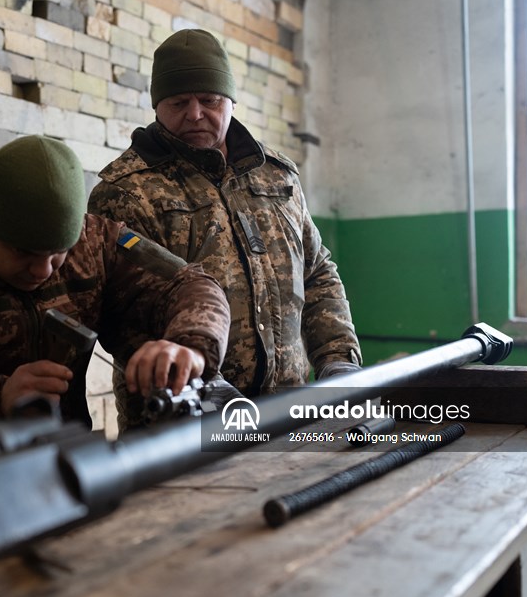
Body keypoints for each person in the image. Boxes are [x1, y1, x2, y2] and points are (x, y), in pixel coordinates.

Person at [0, 135, 230, 451]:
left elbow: (192, 284)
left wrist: (190, 345)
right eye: (23, 253)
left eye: (58, 253)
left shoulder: (96, 240)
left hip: (61, 470)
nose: (43, 270)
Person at [89, 28, 361, 414]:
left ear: (230, 100)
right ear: (157, 108)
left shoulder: (277, 175)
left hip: (287, 409)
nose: (195, 113)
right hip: (185, 417)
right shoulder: (127, 191)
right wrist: (201, 375)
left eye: (209, 99)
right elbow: (120, 312)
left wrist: (338, 359)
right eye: (179, 102)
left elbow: (316, 273)